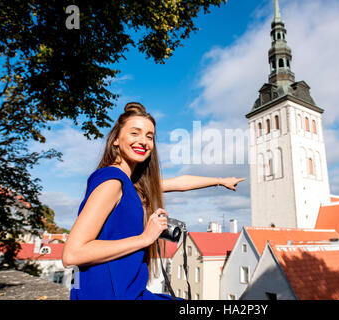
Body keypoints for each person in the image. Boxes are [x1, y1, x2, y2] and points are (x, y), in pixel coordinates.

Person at [62, 102, 246, 300]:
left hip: (129, 292)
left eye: (149, 136)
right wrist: (145, 238)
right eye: (135, 133)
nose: (144, 141)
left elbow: (180, 183)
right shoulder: (112, 181)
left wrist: (220, 181)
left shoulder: (131, 185)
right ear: (115, 139)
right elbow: (72, 254)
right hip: (109, 293)